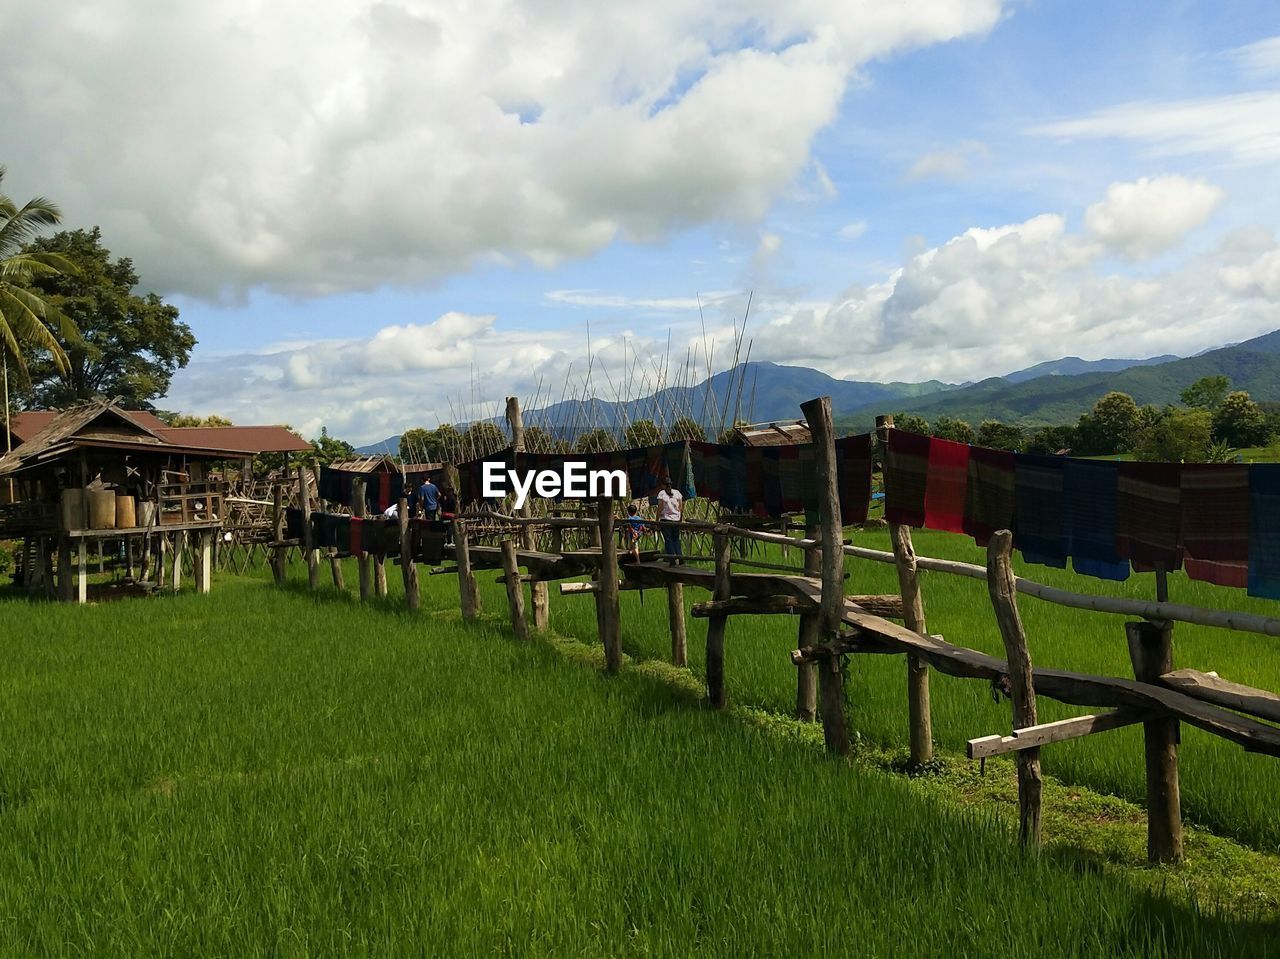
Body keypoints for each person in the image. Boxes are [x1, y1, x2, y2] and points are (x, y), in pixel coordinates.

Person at [655, 475, 683, 564]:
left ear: (663, 485)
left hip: (666, 519)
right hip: (676, 519)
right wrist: (680, 519)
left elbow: (660, 507)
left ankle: (672, 559)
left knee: (668, 539)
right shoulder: (677, 493)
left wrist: (657, 521)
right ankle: (680, 557)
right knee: (676, 539)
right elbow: (681, 507)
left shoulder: (662, 493)